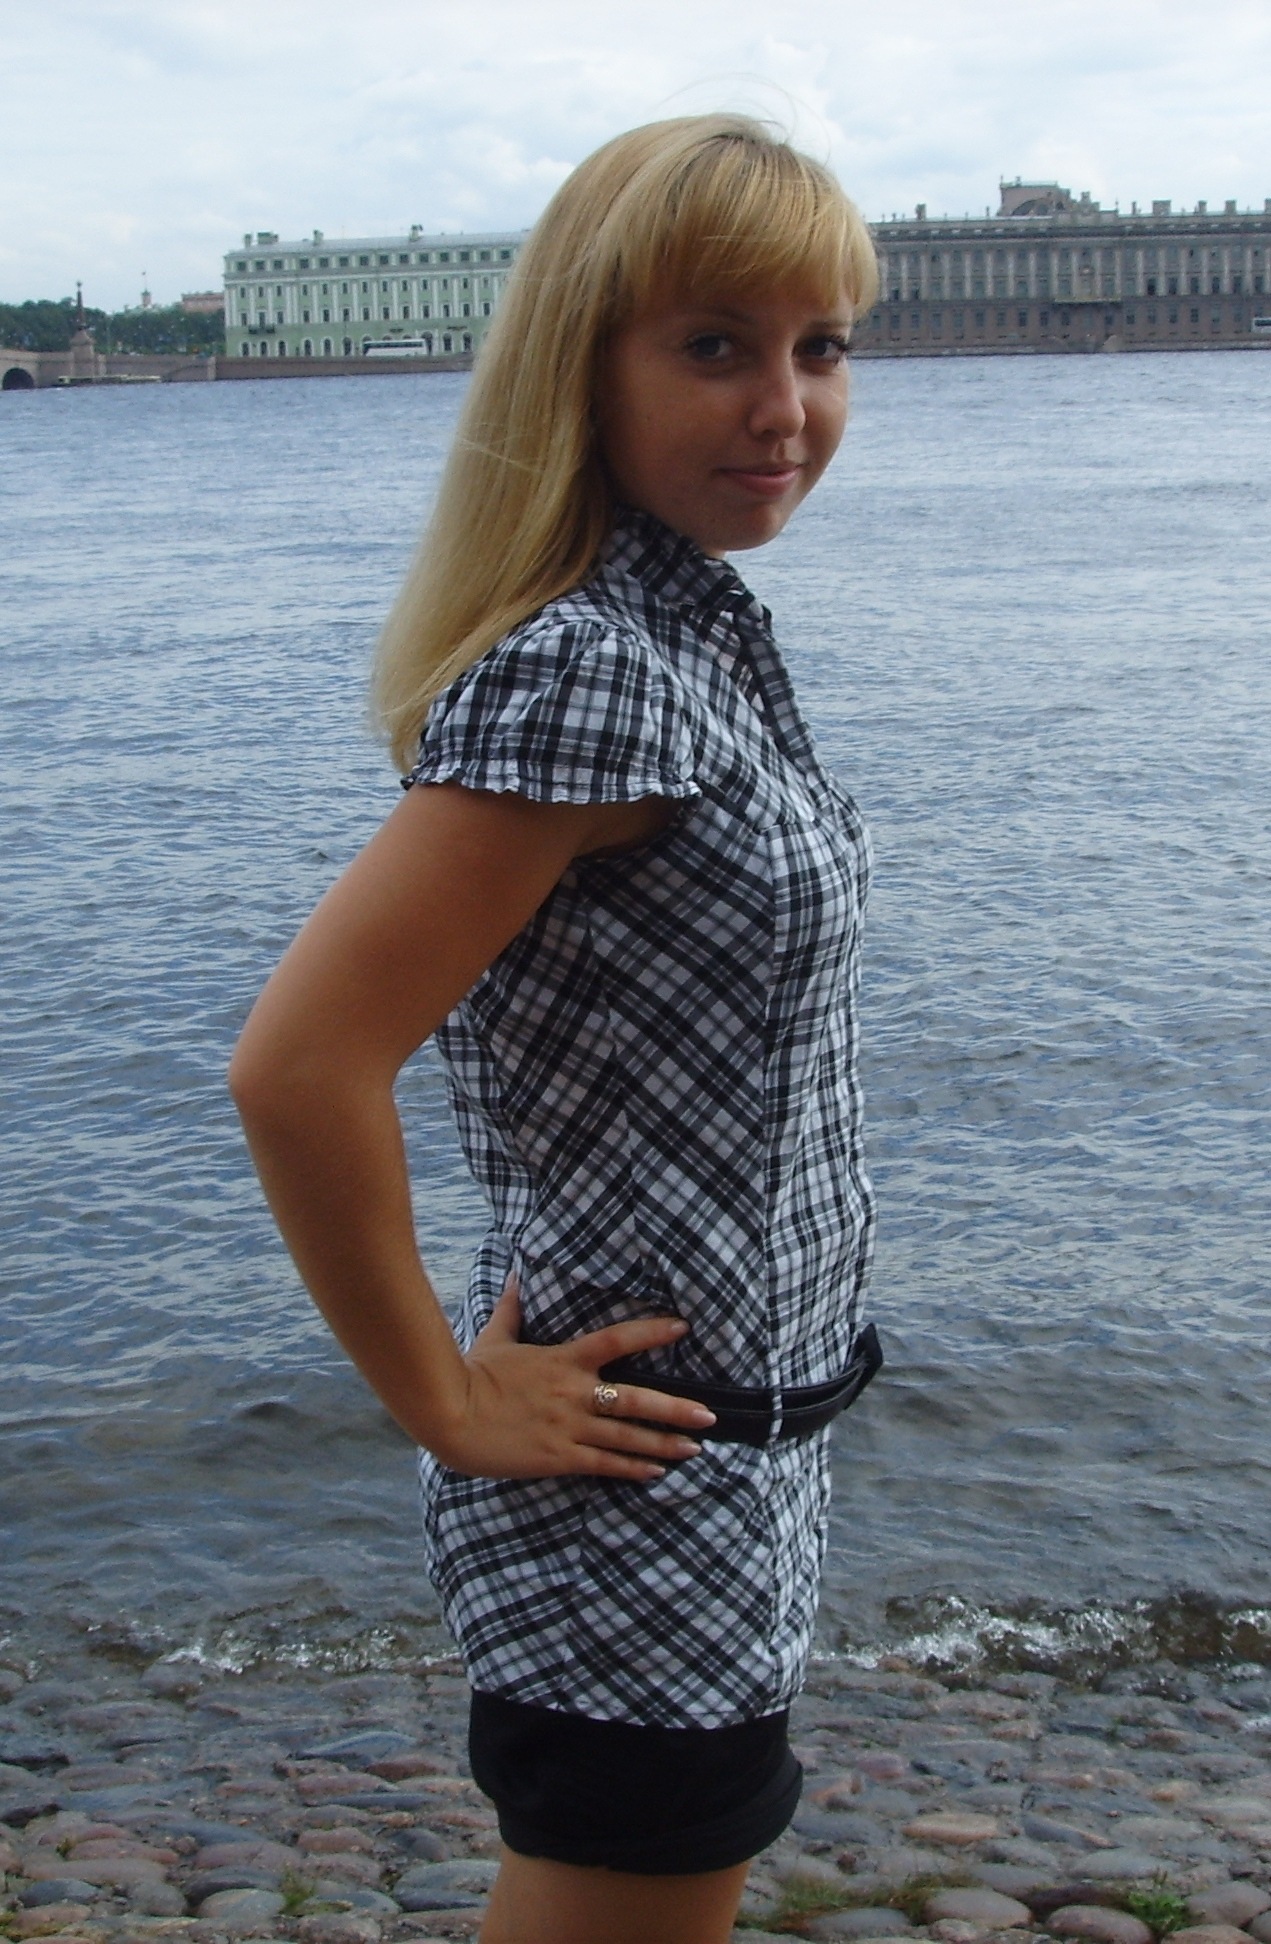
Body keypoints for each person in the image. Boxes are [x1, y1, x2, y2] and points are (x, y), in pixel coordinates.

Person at [229, 113, 881, 1944]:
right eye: (716, 345)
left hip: (724, 1453)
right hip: (636, 1480)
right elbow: (299, 1069)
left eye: (823, 347)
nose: (785, 407)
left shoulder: (691, 630)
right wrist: (442, 1401)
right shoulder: (591, 670)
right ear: (580, 364)